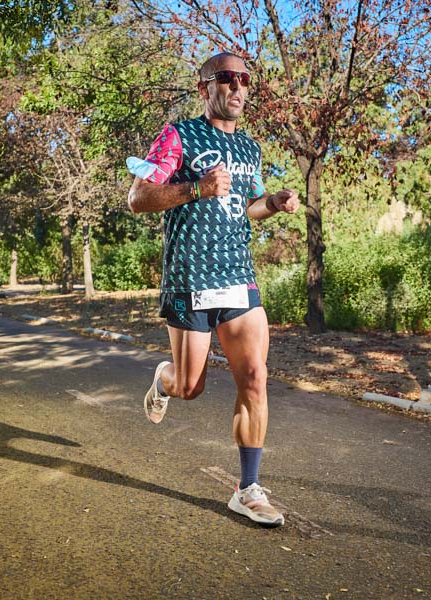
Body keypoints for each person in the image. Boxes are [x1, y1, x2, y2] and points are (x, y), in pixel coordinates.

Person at [126, 52, 300, 527]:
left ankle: (248, 489)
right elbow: (138, 198)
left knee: (256, 377)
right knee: (190, 386)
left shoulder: (249, 149)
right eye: (228, 79)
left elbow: (245, 208)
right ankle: (165, 379)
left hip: (238, 276)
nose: (239, 88)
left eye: (245, 80)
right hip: (190, 278)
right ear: (205, 88)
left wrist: (273, 201)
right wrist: (194, 189)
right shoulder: (178, 136)